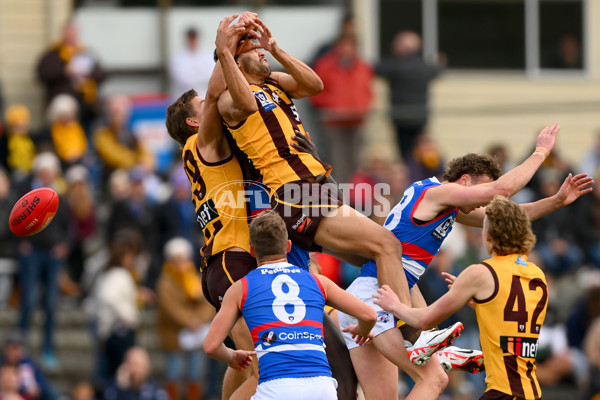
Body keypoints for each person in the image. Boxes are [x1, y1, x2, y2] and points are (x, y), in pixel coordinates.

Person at [166, 14, 358, 400]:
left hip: (240, 258)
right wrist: (226, 47)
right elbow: (224, 91)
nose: (214, 98)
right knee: (259, 362)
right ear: (192, 120)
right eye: (205, 102)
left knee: (247, 359)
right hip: (230, 259)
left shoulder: (228, 144)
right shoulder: (203, 144)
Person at [337, 122, 594, 399]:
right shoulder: (436, 192)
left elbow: (508, 213)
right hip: (376, 297)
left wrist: (556, 200)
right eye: (482, 192)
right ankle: (437, 348)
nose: (483, 203)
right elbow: (504, 190)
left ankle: (437, 347)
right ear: (463, 181)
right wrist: (541, 152)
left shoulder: (447, 208)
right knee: (434, 379)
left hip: (377, 296)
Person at [216, 15, 411, 310]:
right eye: (252, 47)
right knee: (388, 244)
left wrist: (276, 49)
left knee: (384, 258)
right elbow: (245, 104)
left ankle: (400, 326)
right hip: (296, 193)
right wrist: (224, 51)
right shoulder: (229, 99)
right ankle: (413, 328)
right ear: (235, 60)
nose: (260, 50)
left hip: (315, 188)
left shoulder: (272, 82)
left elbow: (315, 85)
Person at [374, 196, 552, 400]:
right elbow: (514, 317)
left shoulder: (480, 273)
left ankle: (447, 353)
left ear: (489, 235)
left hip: (503, 392)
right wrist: (480, 301)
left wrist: (395, 305)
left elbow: (425, 320)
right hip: (531, 391)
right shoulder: (537, 274)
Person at [203, 211, 377, 400]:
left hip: (276, 388)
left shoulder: (240, 289)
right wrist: (362, 330)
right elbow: (369, 315)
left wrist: (232, 357)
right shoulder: (318, 282)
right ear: (288, 246)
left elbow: (211, 346)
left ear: (252, 251)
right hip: (322, 387)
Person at [16, 152, 69, 371]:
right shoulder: (26, 192)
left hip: (52, 255)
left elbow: (69, 226)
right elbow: (16, 220)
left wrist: (64, 244)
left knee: (49, 303)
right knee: (28, 300)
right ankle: (19, 347)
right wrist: (21, 242)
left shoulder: (60, 196)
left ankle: (47, 348)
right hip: (33, 252)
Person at [310, 33, 374, 183]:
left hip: (357, 121)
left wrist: (362, 108)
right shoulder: (325, 66)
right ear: (336, 48)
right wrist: (330, 108)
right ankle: (339, 195)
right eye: (343, 45)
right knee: (336, 161)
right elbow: (315, 90)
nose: (347, 49)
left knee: (356, 161)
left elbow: (368, 91)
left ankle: (353, 195)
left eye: (350, 46)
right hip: (334, 123)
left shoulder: (363, 67)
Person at [156, 238, 214, 400]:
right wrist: (189, 321)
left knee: (196, 372)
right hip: (174, 335)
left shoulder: (195, 278)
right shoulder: (166, 282)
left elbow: (207, 303)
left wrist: (198, 320)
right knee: (174, 371)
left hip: (196, 335)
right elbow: (170, 308)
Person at [375, 31, 443, 161]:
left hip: (401, 116)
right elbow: (437, 70)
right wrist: (440, 62)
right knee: (419, 152)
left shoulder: (394, 65)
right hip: (420, 116)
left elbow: (376, 69)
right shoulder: (423, 66)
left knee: (404, 154)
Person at [36, 21, 106, 134]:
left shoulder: (86, 53)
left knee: (103, 109)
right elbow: (41, 74)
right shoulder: (54, 54)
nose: (71, 36)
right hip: (64, 95)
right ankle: (64, 142)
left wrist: (86, 76)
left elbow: (102, 74)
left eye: (73, 33)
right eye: (68, 33)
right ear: (62, 34)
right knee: (64, 105)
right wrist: (65, 71)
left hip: (86, 99)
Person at [168, 27, 215, 101]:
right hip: (182, 98)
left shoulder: (207, 54)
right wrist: (199, 73)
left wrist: (193, 74)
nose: (192, 40)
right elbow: (180, 78)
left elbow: (211, 74)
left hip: (203, 97)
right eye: (190, 38)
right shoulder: (178, 56)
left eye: (194, 38)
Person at [104, 347, 168, 400]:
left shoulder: (156, 392)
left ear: (147, 368)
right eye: (130, 364)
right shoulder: (114, 388)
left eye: (137, 365)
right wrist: (122, 388)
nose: (134, 370)